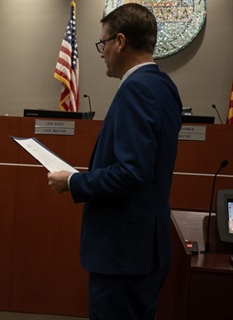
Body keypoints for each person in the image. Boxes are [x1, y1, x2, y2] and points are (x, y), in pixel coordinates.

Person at [47, 4, 182, 320]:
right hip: (144, 248)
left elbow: (132, 172)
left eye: (103, 43)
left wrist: (73, 182)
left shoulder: (137, 89)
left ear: (120, 41)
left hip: (125, 254)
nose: (101, 52)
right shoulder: (164, 86)